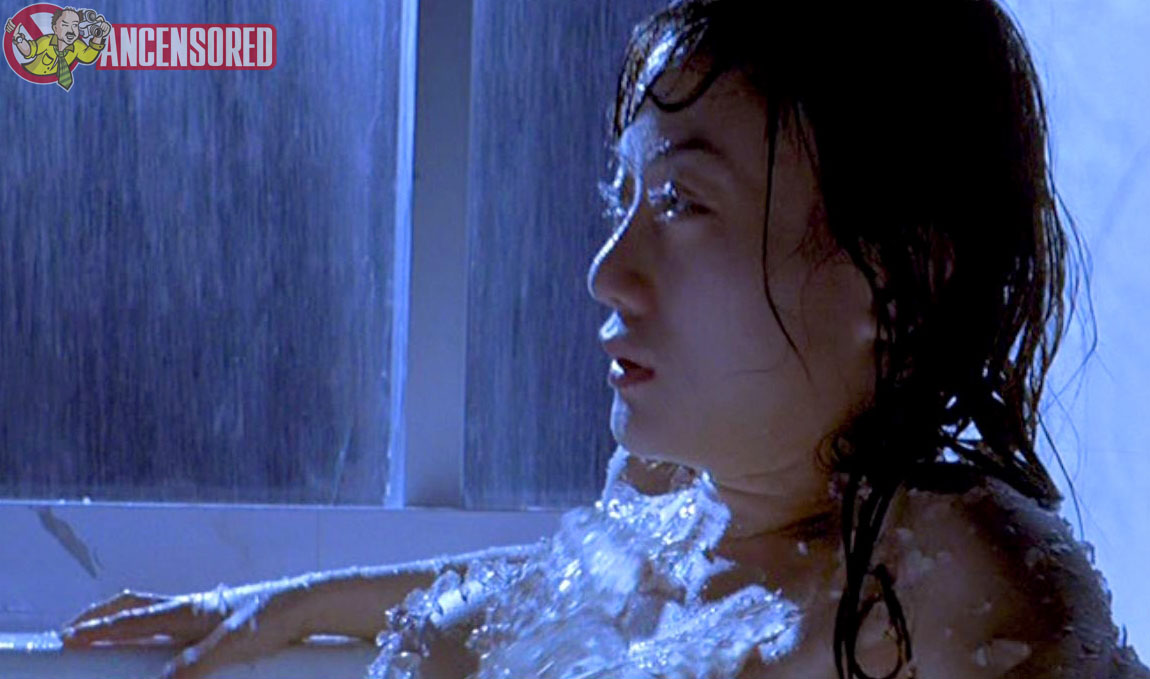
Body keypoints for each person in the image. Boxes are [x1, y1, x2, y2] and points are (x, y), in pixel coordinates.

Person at [59, 1, 1150, 677]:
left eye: (681, 202)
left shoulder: (964, 590)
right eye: (621, 198)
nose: (606, 272)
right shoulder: (688, 516)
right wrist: (296, 600)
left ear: (896, 278)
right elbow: (547, 587)